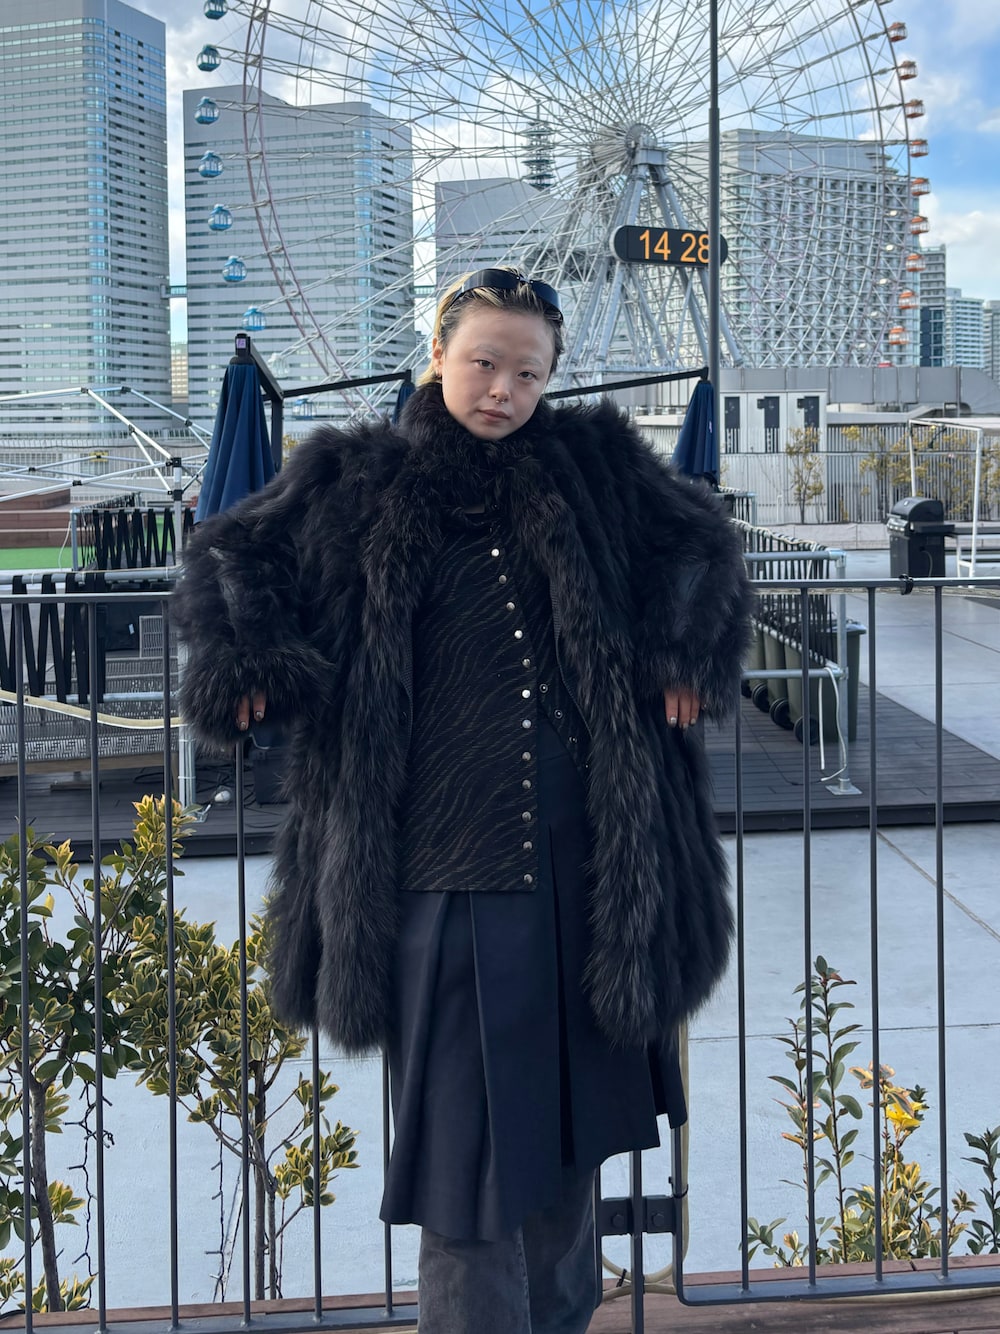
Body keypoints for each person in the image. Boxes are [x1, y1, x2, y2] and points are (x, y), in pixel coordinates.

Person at [174, 267, 752, 1334]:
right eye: (484, 362)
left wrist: (685, 641)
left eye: (528, 373)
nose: (502, 390)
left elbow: (700, 540)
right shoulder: (352, 477)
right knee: (469, 1172)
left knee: (571, 1144)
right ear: (439, 352)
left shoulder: (595, 466)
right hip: (436, 874)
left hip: (593, 869)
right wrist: (247, 653)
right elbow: (229, 552)